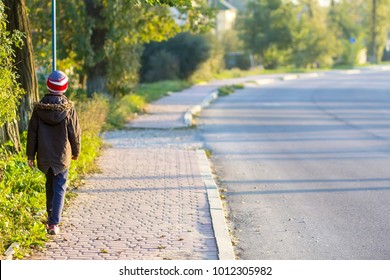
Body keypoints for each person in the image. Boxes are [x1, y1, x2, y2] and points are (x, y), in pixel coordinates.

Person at [27, 70, 81, 235]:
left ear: (48, 86)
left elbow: (32, 133)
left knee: (49, 184)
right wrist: (76, 150)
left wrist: (30, 154)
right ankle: (54, 223)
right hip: (61, 155)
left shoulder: (39, 109)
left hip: (44, 153)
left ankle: (51, 216)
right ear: (65, 87)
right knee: (59, 186)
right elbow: (74, 132)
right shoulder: (68, 108)